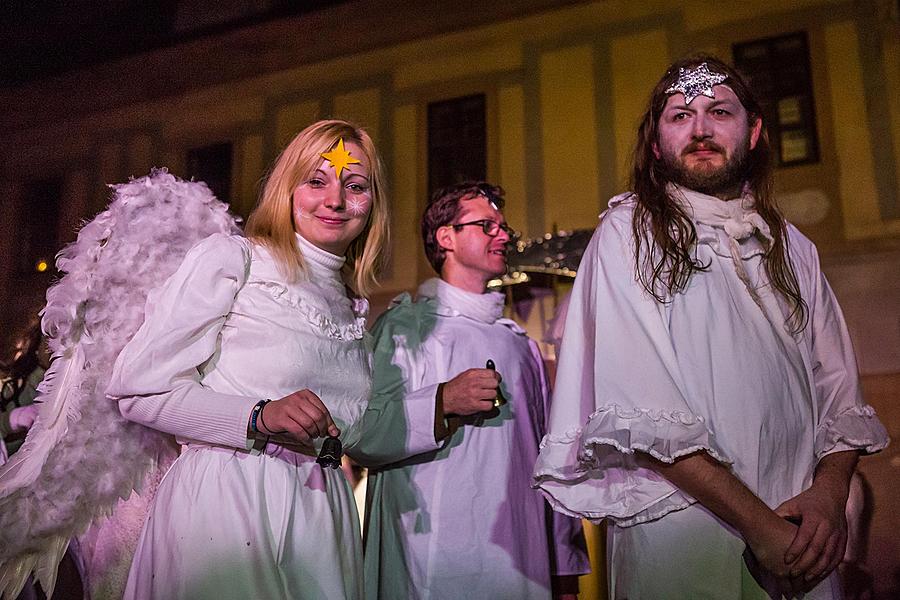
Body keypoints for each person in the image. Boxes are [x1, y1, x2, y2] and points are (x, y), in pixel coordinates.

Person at [533, 55, 889, 599]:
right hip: (685, 538)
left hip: (803, 531)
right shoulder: (629, 235)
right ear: (656, 142)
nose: (700, 129)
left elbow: (838, 391)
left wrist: (829, 495)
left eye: (719, 111)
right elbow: (641, 408)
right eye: (680, 116)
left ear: (755, 131)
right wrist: (760, 527)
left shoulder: (793, 248)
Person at [106, 119, 389, 599]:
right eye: (316, 181)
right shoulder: (234, 260)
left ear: (373, 203)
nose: (336, 200)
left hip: (322, 512)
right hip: (231, 501)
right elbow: (139, 389)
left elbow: (361, 430)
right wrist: (258, 415)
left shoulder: (352, 305)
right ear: (288, 189)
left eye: (355, 185)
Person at [358, 182, 590, 599]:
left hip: (520, 556)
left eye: (504, 228)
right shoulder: (405, 328)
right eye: (487, 226)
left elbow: (552, 458)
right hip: (429, 557)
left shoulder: (520, 345)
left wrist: (564, 573)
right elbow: (364, 436)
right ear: (446, 237)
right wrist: (441, 401)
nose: (503, 236)